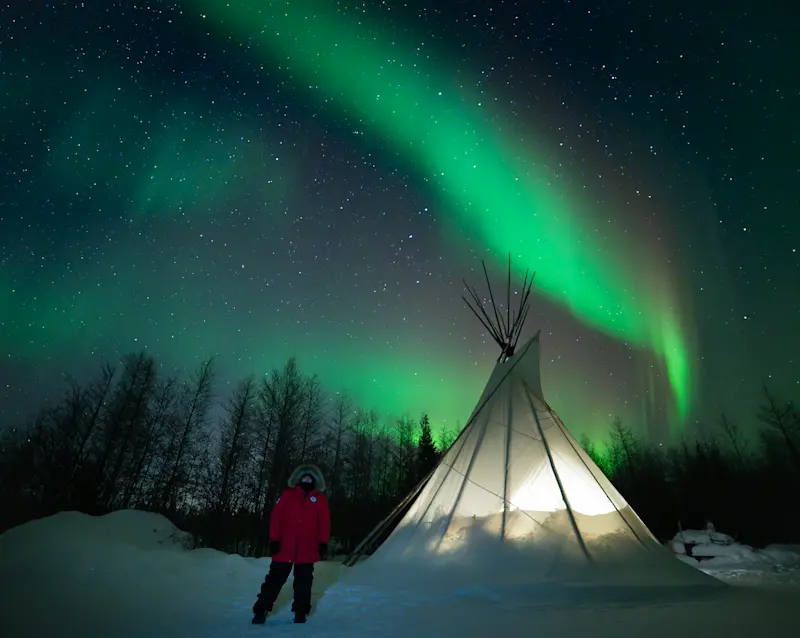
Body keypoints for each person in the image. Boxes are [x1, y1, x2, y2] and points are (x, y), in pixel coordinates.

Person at [252, 463, 330, 624]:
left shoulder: (320, 499)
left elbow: (324, 522)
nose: (307, 480)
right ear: (299, 479)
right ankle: (261, 610)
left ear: (315, 481)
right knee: (274, 580)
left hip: (307, 549)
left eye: (311, 478)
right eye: (304, 477)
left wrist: (323, 542)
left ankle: (301, 612)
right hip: (284, 548)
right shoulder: (288, 495)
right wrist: (274, 539)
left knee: (304, 582)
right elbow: (276, 518)